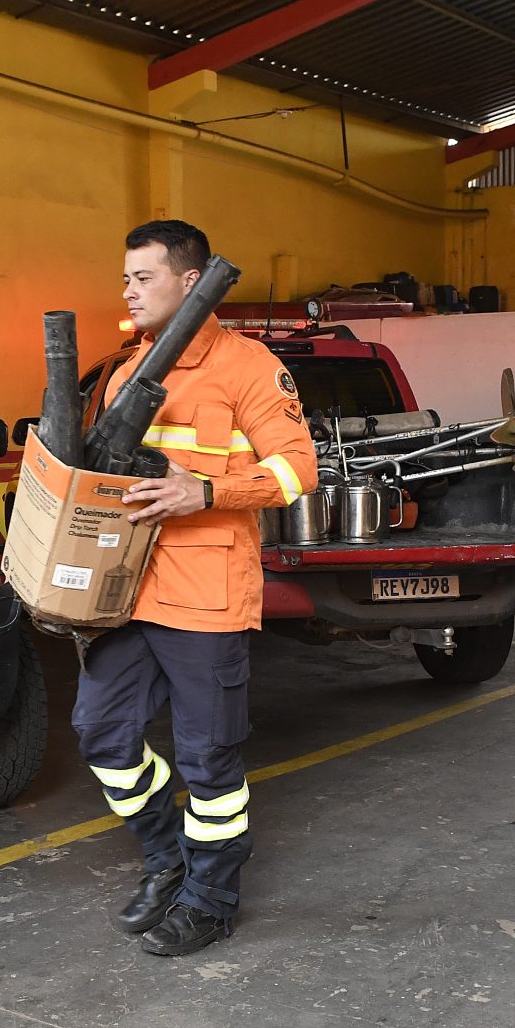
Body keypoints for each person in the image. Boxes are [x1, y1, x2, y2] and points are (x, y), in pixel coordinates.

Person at [70, 219, 318, 956]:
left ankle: (210, 898)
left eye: (142, 277)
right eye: (124, 278)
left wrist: (203, 492)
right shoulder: (126, 371)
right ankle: (164, 858)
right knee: (101, 733)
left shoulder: (248, 366)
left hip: (206, 595)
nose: (128, 291)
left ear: (189, 280)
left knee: (209, 759)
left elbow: (297, 469)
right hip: (128, 592)